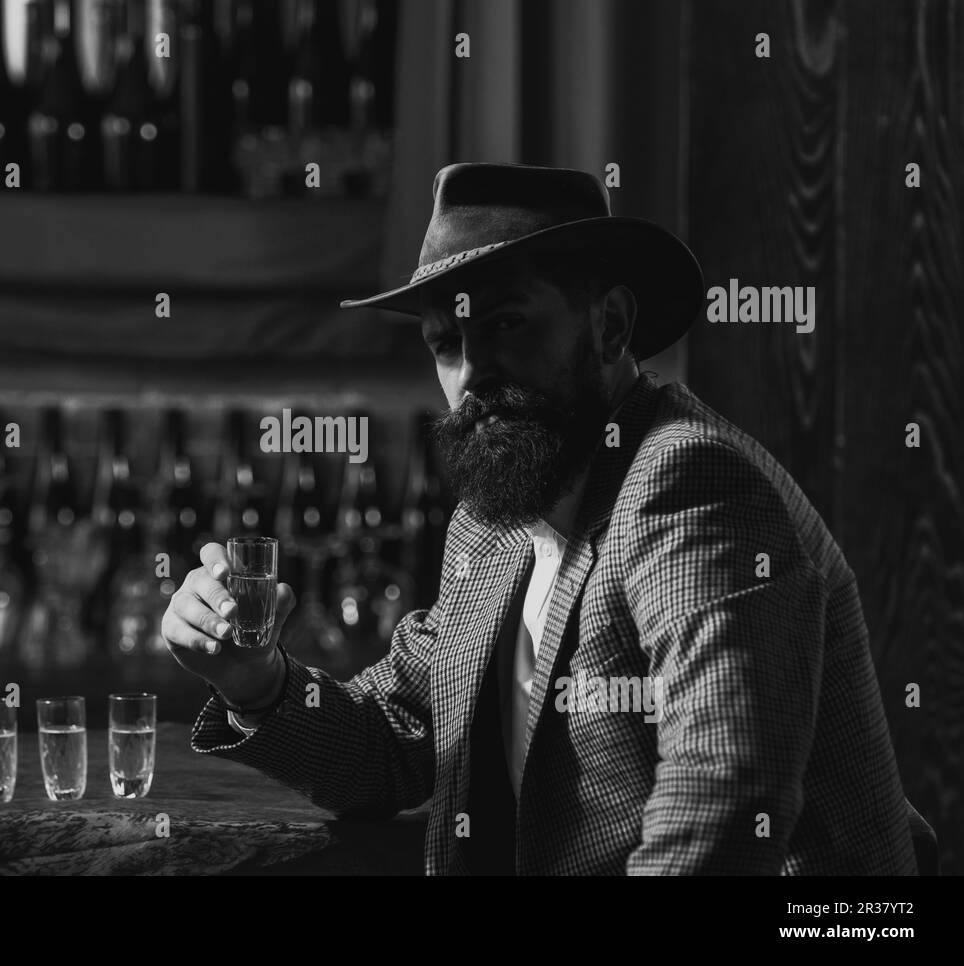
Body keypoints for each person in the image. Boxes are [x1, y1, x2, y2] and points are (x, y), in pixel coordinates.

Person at [160, 162, 921, 874]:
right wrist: (257, 682)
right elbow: (397, 739)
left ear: (610, 327)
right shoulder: (495, 518)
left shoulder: (687, 482)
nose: (471, 374)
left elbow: (721, 800)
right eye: (446, 343)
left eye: (506, 324)